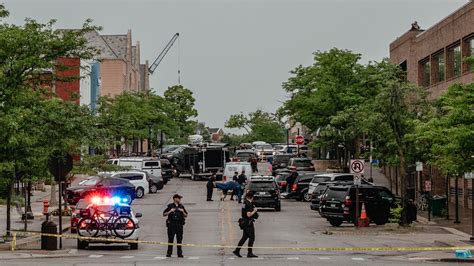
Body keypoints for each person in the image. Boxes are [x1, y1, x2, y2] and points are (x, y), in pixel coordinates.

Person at [233, 191, 258, 258]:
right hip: (248, 223)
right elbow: (248, 214)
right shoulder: (248, 204)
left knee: (244, 237)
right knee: (252, 237)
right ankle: (249, 253)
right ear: (252, 197)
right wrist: (254, 211)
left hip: (244, 222)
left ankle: (237, 251)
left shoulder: (245, 203)